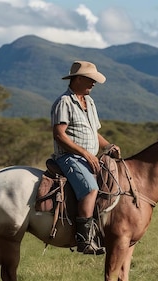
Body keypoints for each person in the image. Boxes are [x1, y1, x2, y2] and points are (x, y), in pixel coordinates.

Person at [51, 61, 120, 255]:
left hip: (89, 157)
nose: (94, 84)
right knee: (91, 190)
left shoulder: (89, 102)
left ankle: (103, 232)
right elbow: (60, 135)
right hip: (69, 157)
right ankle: (84, 240)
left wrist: (108, 146)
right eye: (91, 80)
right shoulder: (64, 102)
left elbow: (93, 132)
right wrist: (85, 153)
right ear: (78, 79)